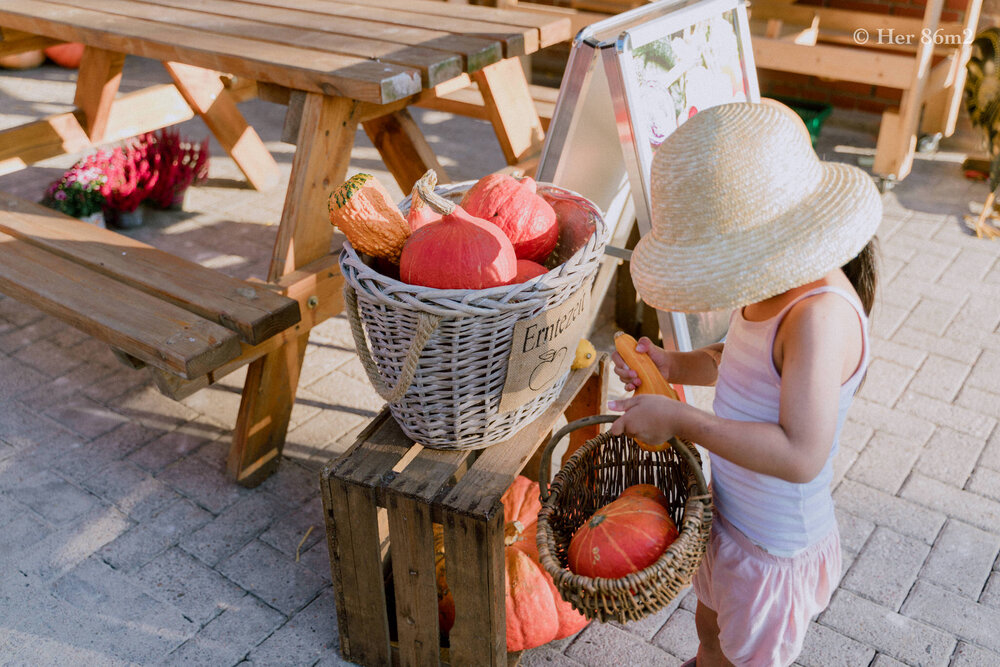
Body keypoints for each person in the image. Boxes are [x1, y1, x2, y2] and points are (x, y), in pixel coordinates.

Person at [608, 102, 882, 667]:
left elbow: (800, 453)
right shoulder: (770, 283)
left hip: (771, 548)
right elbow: (738, 360)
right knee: (710, 632)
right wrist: (676, 365)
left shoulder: (819, 318)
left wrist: (682, 421)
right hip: (731, 522)